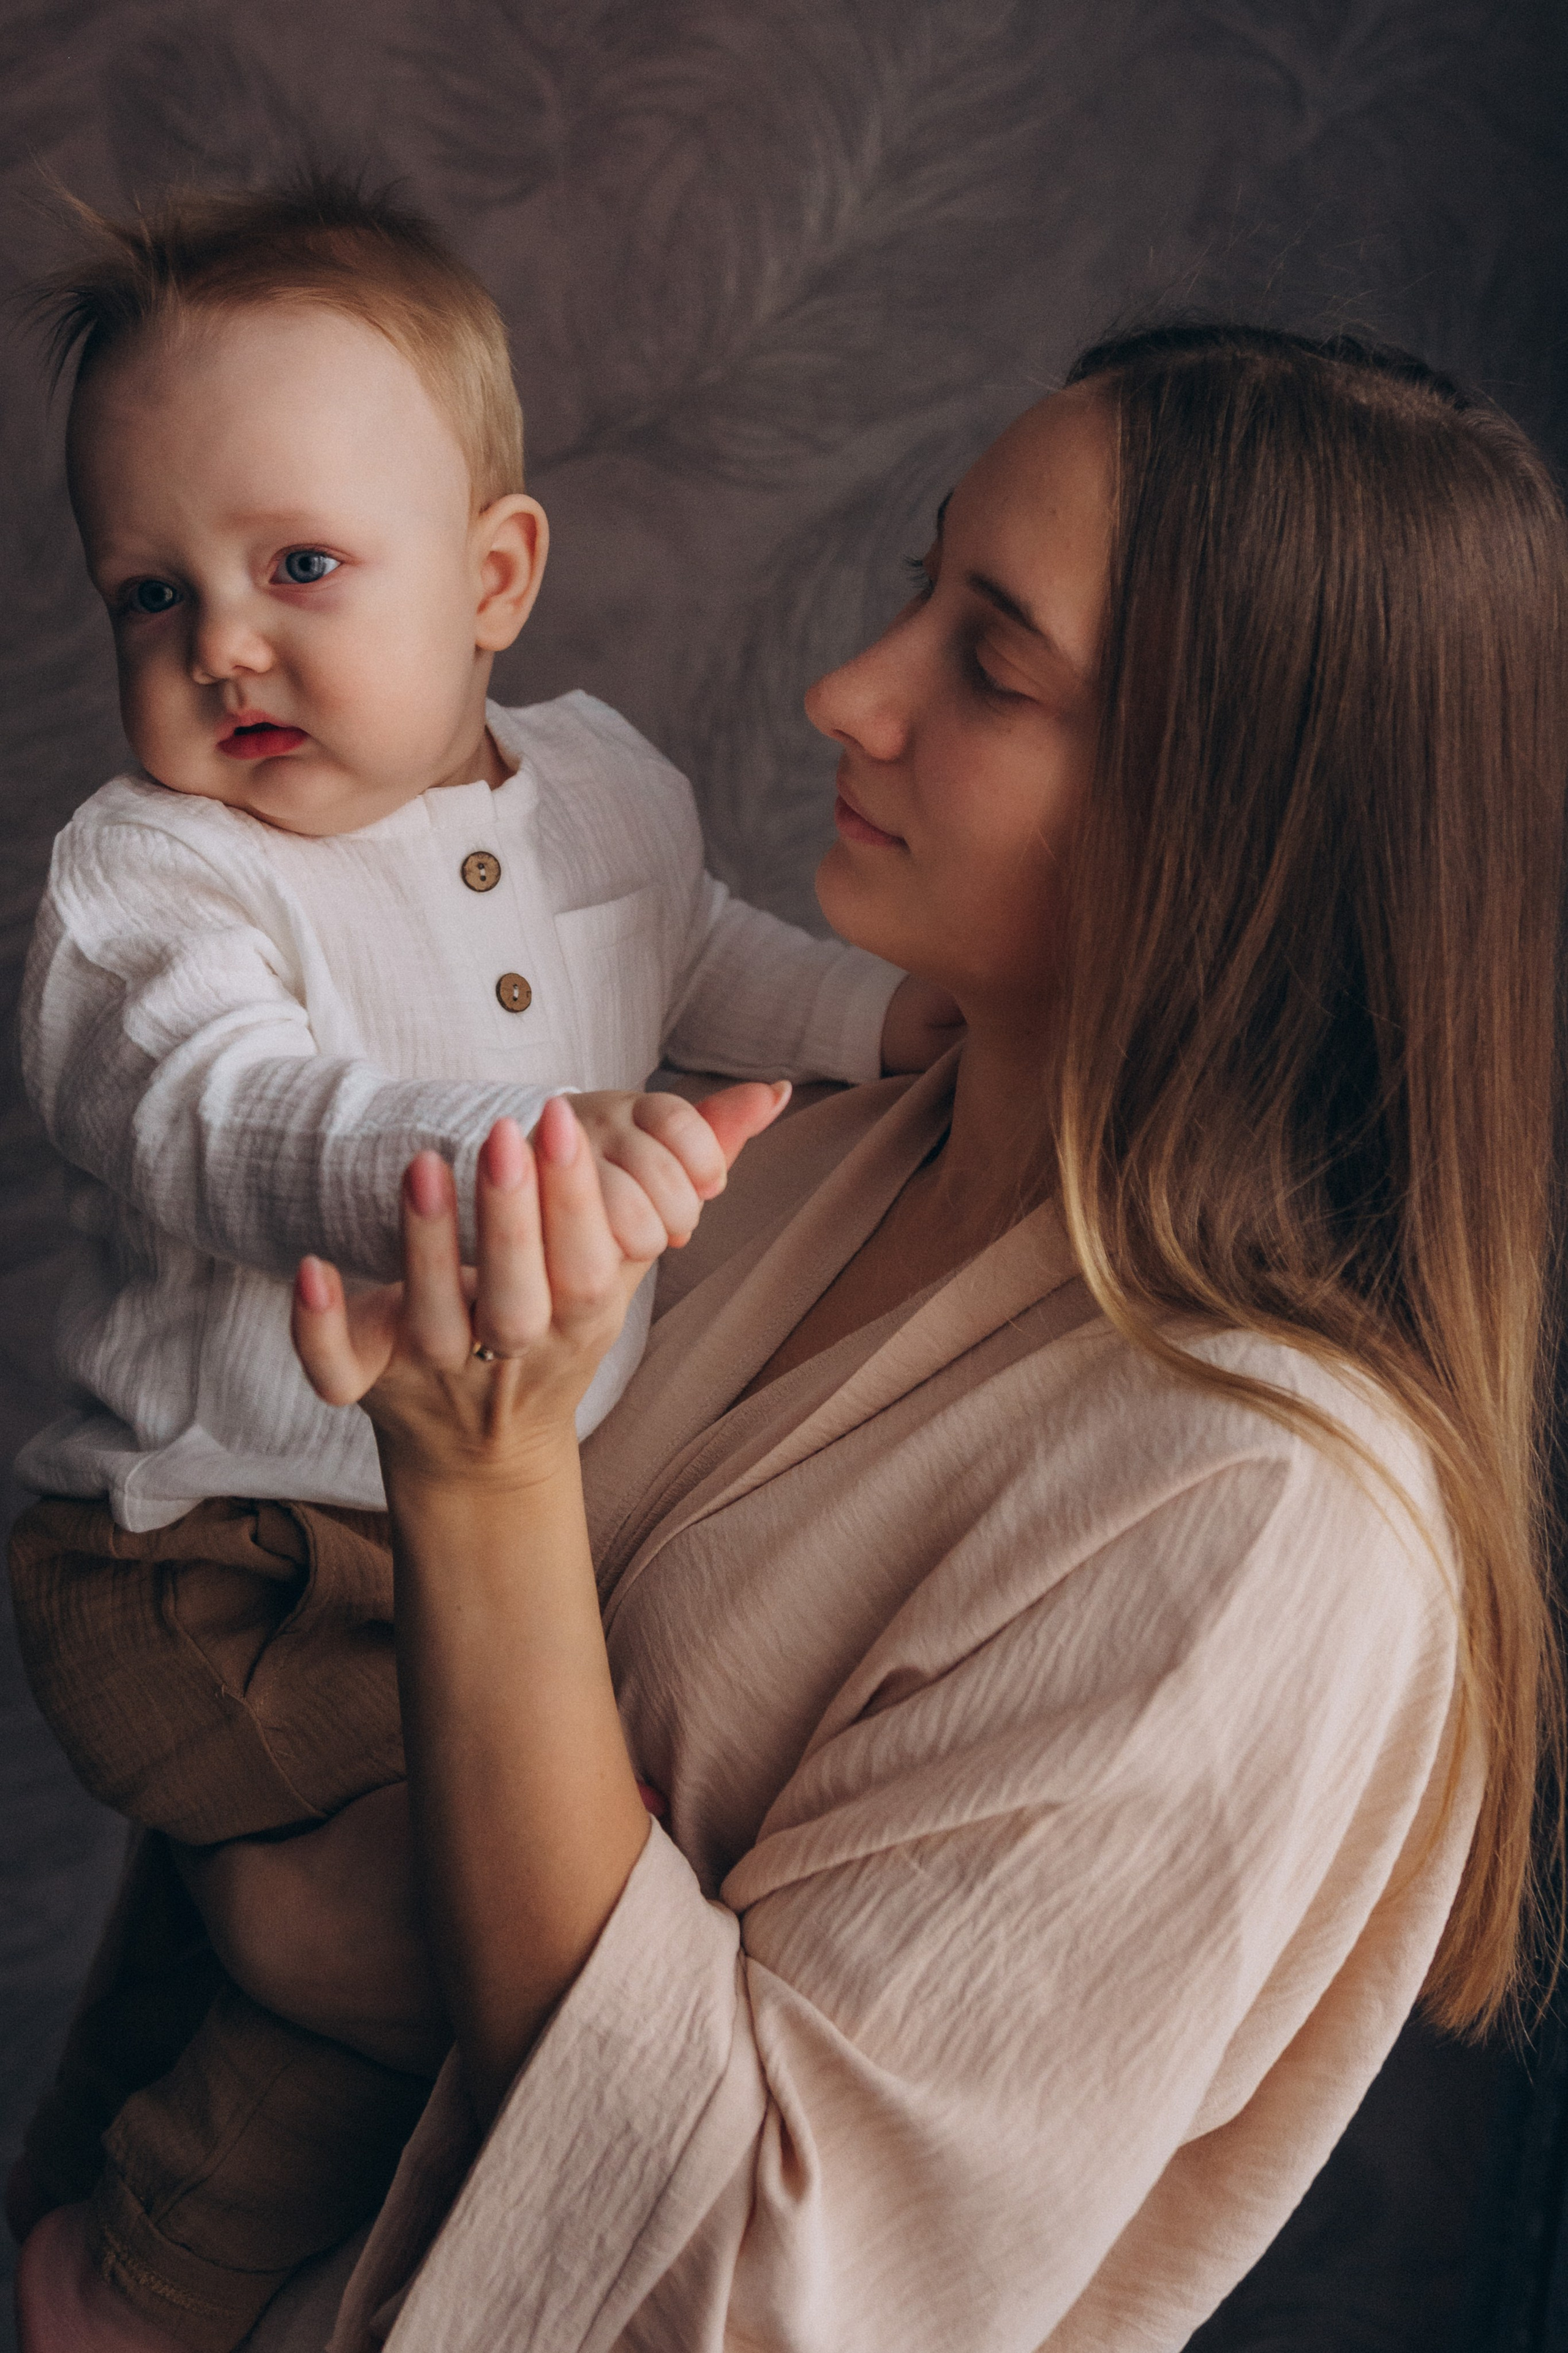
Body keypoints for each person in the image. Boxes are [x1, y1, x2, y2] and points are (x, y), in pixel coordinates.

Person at [23, 323, 1568, 2352]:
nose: (852, 692)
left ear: (1244, 823)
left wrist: (481, 1488)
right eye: (918, 588)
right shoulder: (810, 1165)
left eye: (991, 662)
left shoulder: (1267, 1529)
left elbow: (753, 2298)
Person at [4, 175, 960, 2353]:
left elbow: (706, 959)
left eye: (299, 567)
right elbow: (222, 1112)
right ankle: (122, 2286)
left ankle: (139, 2203)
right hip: (205, 1564)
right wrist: (505, 1153)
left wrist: (881, 1022)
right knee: (438, 1934)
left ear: (495, 574)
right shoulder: (146, 888)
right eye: (149, 593)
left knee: (455, 1916)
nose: (221, 642)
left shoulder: (606, 792)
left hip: (443, 1534)